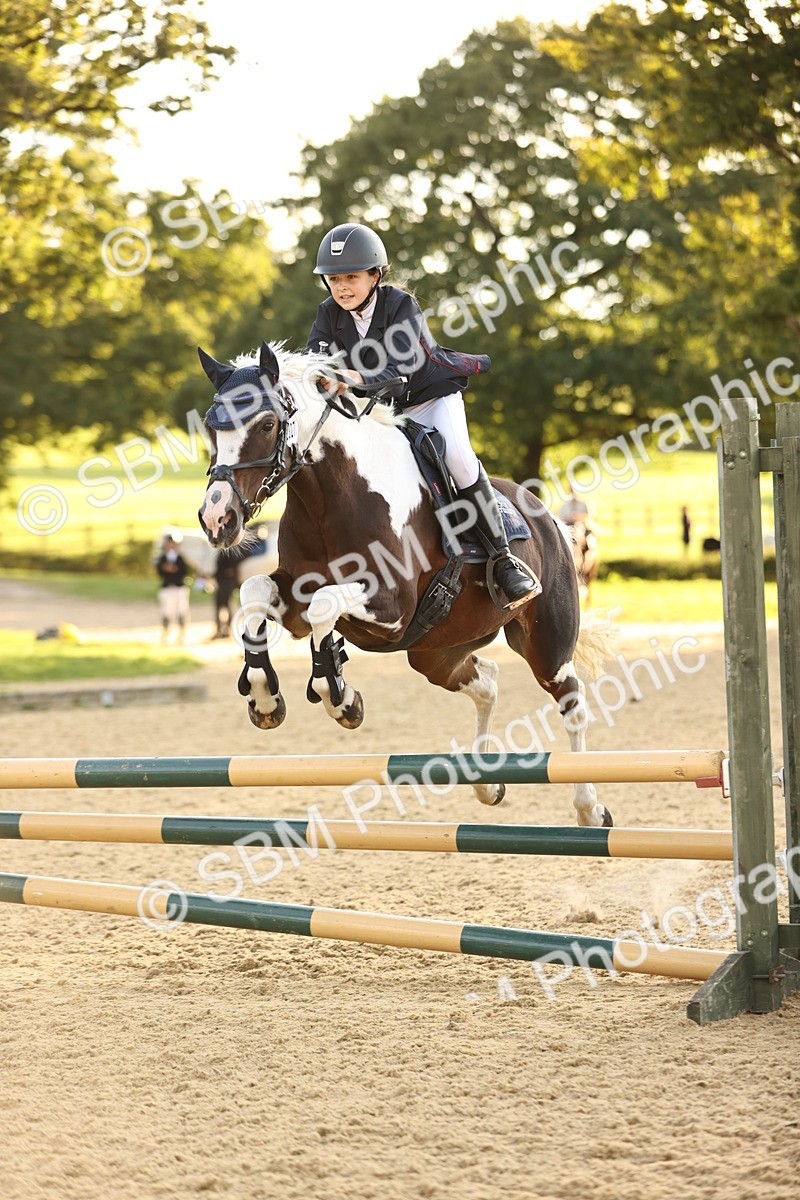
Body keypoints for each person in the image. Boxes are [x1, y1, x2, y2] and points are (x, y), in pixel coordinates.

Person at [306, 222, 540, 608]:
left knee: (459, 460)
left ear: (375, 275)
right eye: (333, 279)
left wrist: (350, 377)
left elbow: (401, 367)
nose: (342, 287)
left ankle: (503, 558)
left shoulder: (400, 306)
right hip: (383, 412)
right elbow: (316, 360)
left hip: (431, 399)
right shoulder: (328, 313)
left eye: (351, 277)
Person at [155, 534, 190, 644]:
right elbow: (159, 571)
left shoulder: (180, 557)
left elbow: (185, 571)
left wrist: (175, 569)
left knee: (182, 611)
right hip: (167, 587)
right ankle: (165, 634)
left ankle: (181, 635)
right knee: (167, 611)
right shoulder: (162, 558)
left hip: (179, 587)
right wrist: (165, 569)